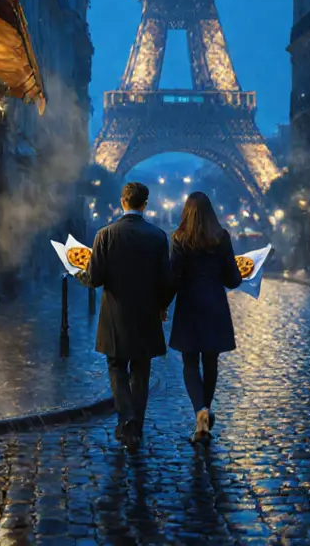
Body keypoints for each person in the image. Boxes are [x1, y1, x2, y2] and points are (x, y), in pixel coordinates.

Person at [77, 182, 173, 452]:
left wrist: (77, 271)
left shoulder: (105, 235)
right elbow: (166, 281)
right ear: (145, 204)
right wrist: (162, 306)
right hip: (146, 315)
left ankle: (127, 419)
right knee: (141, 373)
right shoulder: (158, 236)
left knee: (117, 369)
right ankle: (135, 430)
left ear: (122, 203)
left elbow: (94, 279)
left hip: (115, 316)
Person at [168, 192, 242, 446]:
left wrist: (161, 304)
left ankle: (200, 409)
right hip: (214, 306)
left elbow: (174, 279)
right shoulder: (221, 238)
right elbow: (232, 279)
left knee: (190, 362)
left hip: (189, 306)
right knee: (211, 362)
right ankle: (205, 411)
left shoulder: (179, 239)